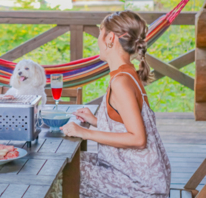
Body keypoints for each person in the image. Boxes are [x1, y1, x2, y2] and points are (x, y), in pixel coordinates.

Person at [60, 10, 171, 198]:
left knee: (63, 171)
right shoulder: (127, 73)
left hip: (141, 185)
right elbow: (126, 121)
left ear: (110, 38)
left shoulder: (120, 81)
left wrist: (84, 132)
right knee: (70, 162)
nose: (97, 40)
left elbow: (138, 139)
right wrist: (96, 120)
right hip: (146, 175)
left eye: (100, 33)